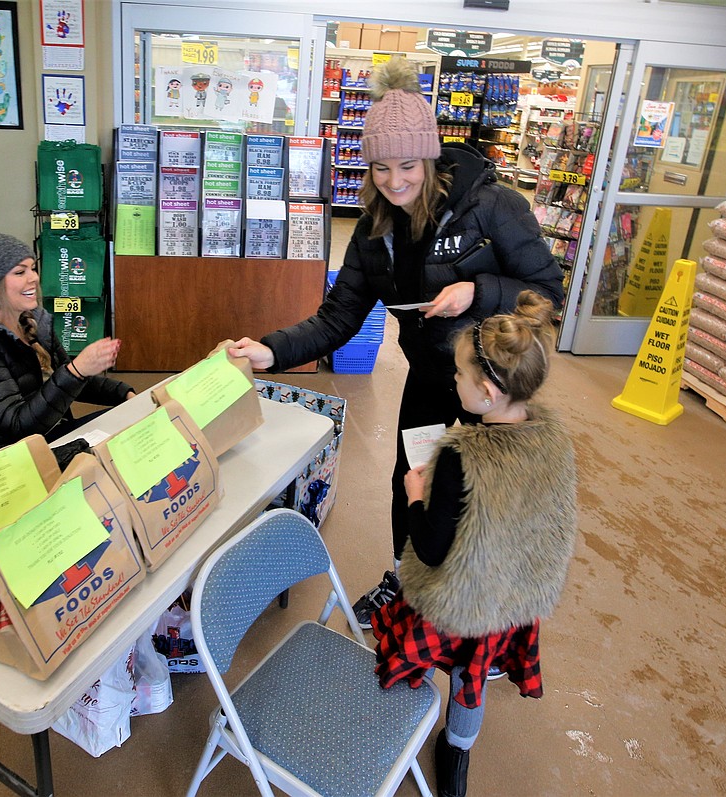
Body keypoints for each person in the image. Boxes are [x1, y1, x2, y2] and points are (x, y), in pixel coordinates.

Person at [228, 57, 564, 626]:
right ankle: (407, 582)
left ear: (429, 157)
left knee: (489, 502)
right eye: (380, 167)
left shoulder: (492, 207)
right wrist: (270, 351)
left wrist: (476, 291)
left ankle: (493, 618)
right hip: (434, 378)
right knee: (412, 483)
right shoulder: (372, 232)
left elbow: (548, 289)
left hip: (495, 386)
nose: (395, 180)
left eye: (407, 164)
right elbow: (337, 318)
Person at [370, 291, 577, 797]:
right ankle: (457, 751)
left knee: (409, 650)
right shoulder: (552, 438)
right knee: (473, 674)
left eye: (459, 374)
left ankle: (394, 728)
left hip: (458, 599)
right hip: (513, 596)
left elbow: (434, 549)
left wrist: (417, 494)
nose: (453, 380)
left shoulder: (461, 458)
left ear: (485, 390)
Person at [0, 233, 134, 480]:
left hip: (33, 444)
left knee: (128, 426)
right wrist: (76, 371)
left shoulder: (30, 321)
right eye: (19, 272)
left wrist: (125, 394)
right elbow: (17, 426)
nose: (34, 278)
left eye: (33, 268)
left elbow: (64, 378)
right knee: (116, 458)